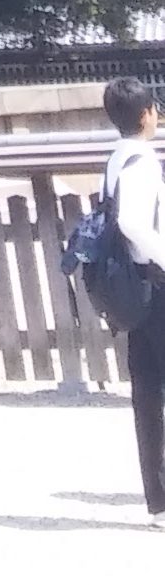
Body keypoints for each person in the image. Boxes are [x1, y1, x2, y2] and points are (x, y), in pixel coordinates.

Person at [100, 76, 165, 517]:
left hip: (129, 287)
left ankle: (157, 495)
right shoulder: (143, 161)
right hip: (153, 281)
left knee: (147, 389)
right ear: (145, 114)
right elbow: (132, 223)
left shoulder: (115, 157)